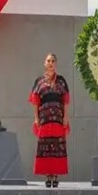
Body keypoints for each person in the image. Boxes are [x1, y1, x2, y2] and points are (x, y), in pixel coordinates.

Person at [29, 52, 70, 187]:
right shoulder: (39, 81)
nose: (50, 63)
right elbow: (35, 101)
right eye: (48, 61)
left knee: (57, 147)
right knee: (46, 147)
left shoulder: (61, 81)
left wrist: (66, 117)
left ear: (56, 63)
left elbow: (65, 101)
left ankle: (56, 176)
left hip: (58, 119)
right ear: (44, 63)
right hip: (44, 119)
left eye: (53, 60)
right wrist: (36, 118)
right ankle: (48, 176)